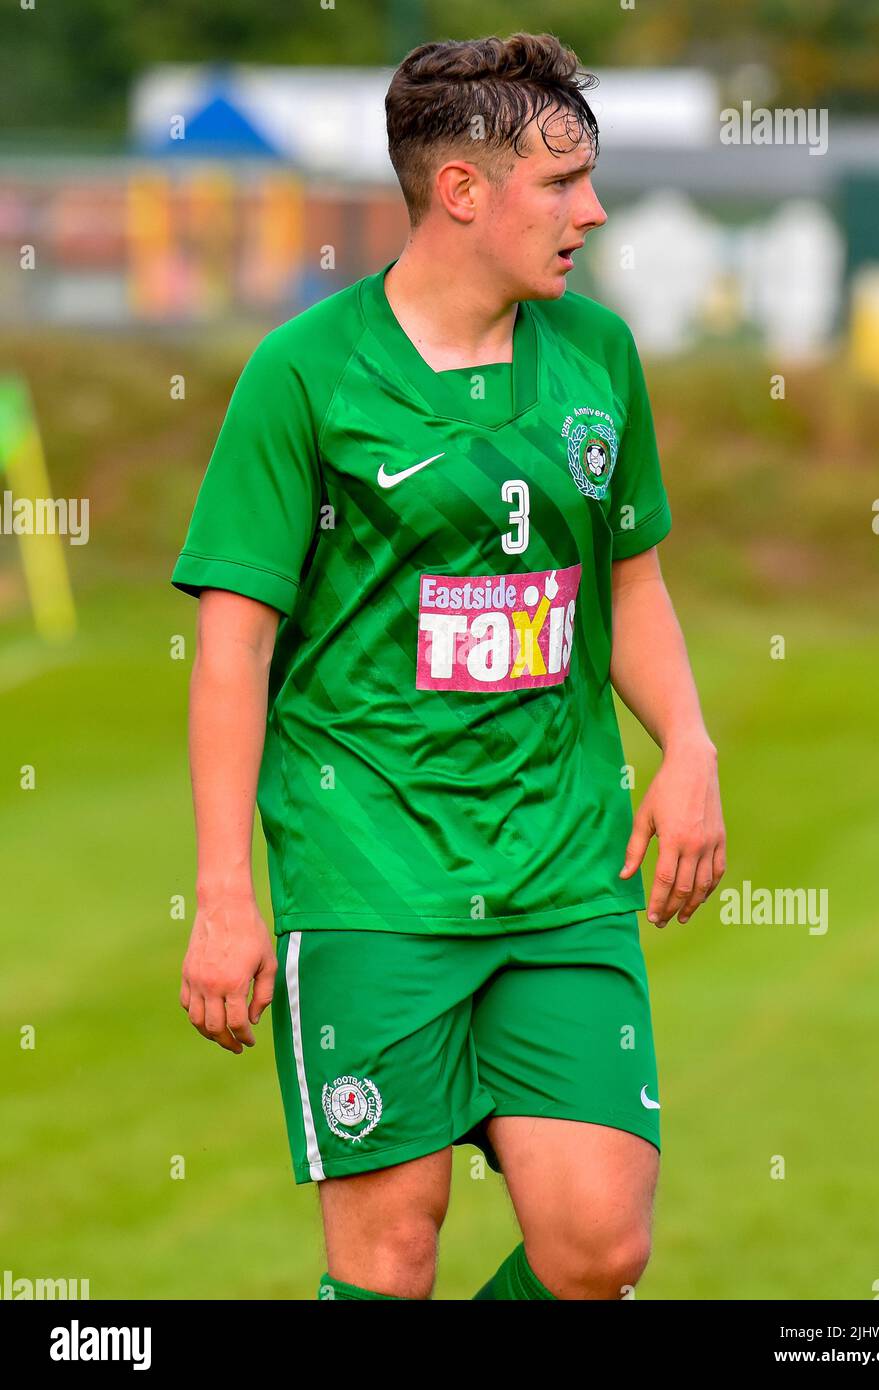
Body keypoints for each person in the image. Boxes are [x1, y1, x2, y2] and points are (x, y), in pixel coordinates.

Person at [171, 32, 725, 1302]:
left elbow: (630, 581)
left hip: (561, 869)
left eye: (589, 179)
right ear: (461, 192)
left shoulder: (597, 355)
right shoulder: (303, 374)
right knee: (391, 1251)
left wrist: (687, 747)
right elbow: (232, 648)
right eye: (560, 181)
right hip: (367, 869)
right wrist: (222, 892)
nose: (590, 210)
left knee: (598, 1247)